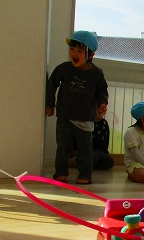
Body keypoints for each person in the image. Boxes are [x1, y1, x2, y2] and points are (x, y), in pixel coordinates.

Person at [46, 30, 108, 185]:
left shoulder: (96, 74)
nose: (74, 54)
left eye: (80, 51)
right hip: (65, 116)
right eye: (71, 49)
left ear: (91, 54)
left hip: (86, 118)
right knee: (63, 146)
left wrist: (102, 103)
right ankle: (61, 172)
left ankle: (85, 174)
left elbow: (102, 91)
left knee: (85, 149)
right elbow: (51, 83)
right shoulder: (64, 69)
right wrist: (50, 104)